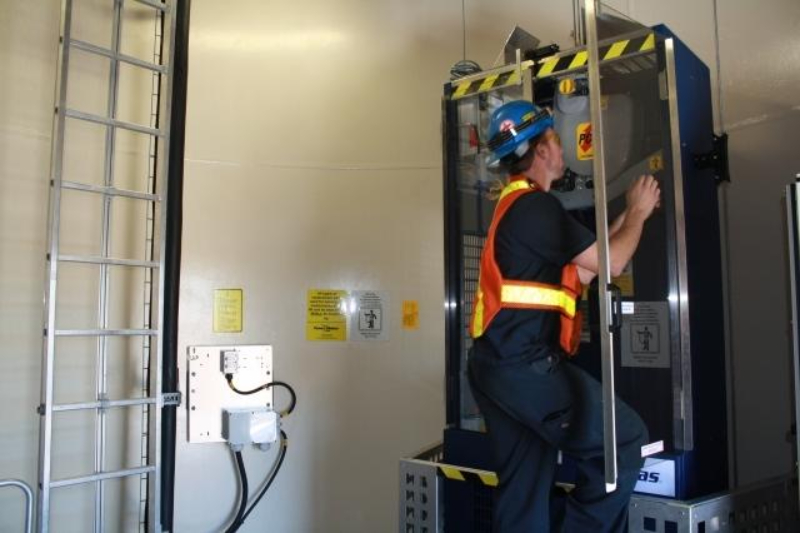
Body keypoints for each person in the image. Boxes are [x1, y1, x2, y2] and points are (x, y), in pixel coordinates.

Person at [467, 100, 660, 532]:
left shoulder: (518, 206)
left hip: (494, 368)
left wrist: (630, 214)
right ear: (540, 150)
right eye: (555, 139)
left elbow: (590, 265)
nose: (561, 148)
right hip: (525, 368)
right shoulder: (538, 208)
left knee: (525, 485)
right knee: (624, 439)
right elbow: (613, 263)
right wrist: (640, 212)